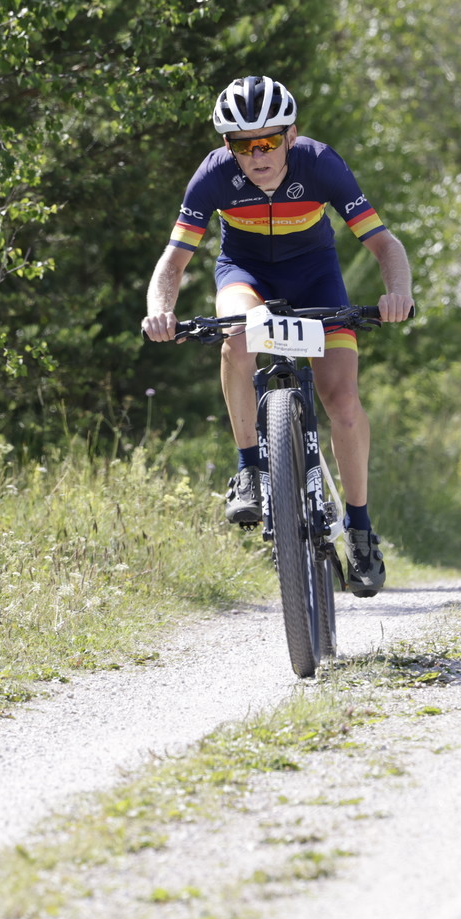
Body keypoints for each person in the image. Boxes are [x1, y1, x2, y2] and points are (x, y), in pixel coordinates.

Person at [142, 75, 415, 596]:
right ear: (229, 146)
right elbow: (172, 262)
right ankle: (249, 467)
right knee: (237, 337)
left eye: (268, 141)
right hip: (245, 275)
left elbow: (385, 244)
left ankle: (360, 530)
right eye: (243, 145)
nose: (257, 155)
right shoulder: (214, 175)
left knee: (343, 402)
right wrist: (160, 311)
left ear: (291, 135)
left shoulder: (320, 164)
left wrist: (396, 293)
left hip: (317, 279)